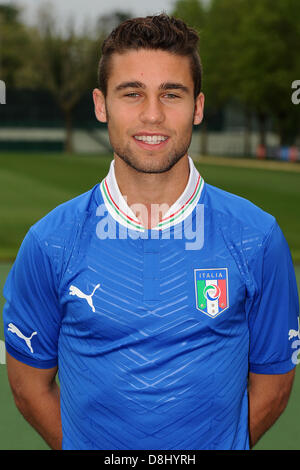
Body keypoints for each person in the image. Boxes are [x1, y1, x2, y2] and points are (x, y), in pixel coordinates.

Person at [2, 14, 299, 451]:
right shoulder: (50, 243)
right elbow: (29, 387)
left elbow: (274, 385)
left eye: (172, 94)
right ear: (101, 105)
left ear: (198, 107)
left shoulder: (257, 237)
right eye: (132, 93)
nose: (153, 115)